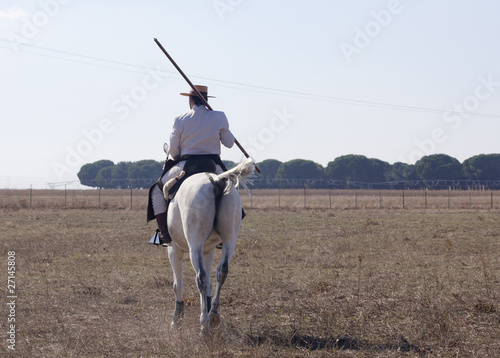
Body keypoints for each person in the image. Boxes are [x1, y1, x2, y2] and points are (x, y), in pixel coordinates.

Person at [147, 85, 235, 246]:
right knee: (231, 190)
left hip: (187, 164)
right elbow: (229, 143)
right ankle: (229, 231)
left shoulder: (180, 119)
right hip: (213, 165)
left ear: (191, 101)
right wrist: (224, 127)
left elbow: (173, 151)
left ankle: (164, 234)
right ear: (207, 100)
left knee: (157, 191)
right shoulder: (220, 116)